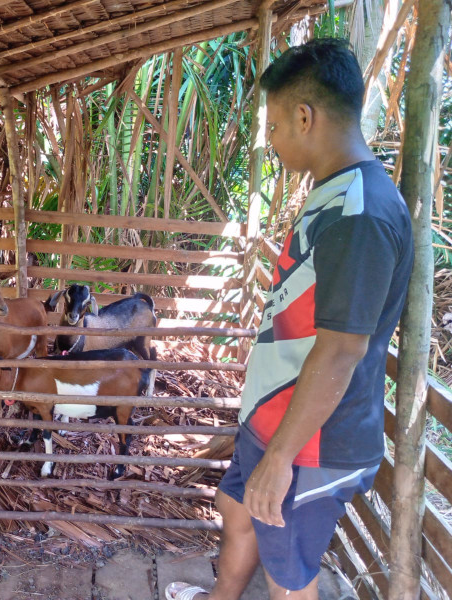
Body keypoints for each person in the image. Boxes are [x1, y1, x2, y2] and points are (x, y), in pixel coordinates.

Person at [165, 39, 413, 600]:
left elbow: (343, 348)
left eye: (274, 126)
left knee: (288, 575)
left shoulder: (359, 214)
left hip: (311, 444)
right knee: (237, 507)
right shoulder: (335, 195)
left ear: (305, 116)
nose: (271, 140)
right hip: (282, 422)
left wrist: (279, 459)